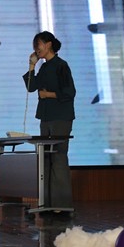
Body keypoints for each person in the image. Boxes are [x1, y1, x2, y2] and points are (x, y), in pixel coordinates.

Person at [22, 31, 76, 209]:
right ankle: (47, 203)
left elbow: (70, 92)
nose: (36, 48)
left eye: (38, 44)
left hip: (60, 117)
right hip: (45, 117)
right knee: (45, 159)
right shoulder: (44, 67)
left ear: (49, 44)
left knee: (58, 158)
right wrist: (32, 66)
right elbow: (31, 87)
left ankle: (62, 204)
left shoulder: (61, 65)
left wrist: (49, 95)